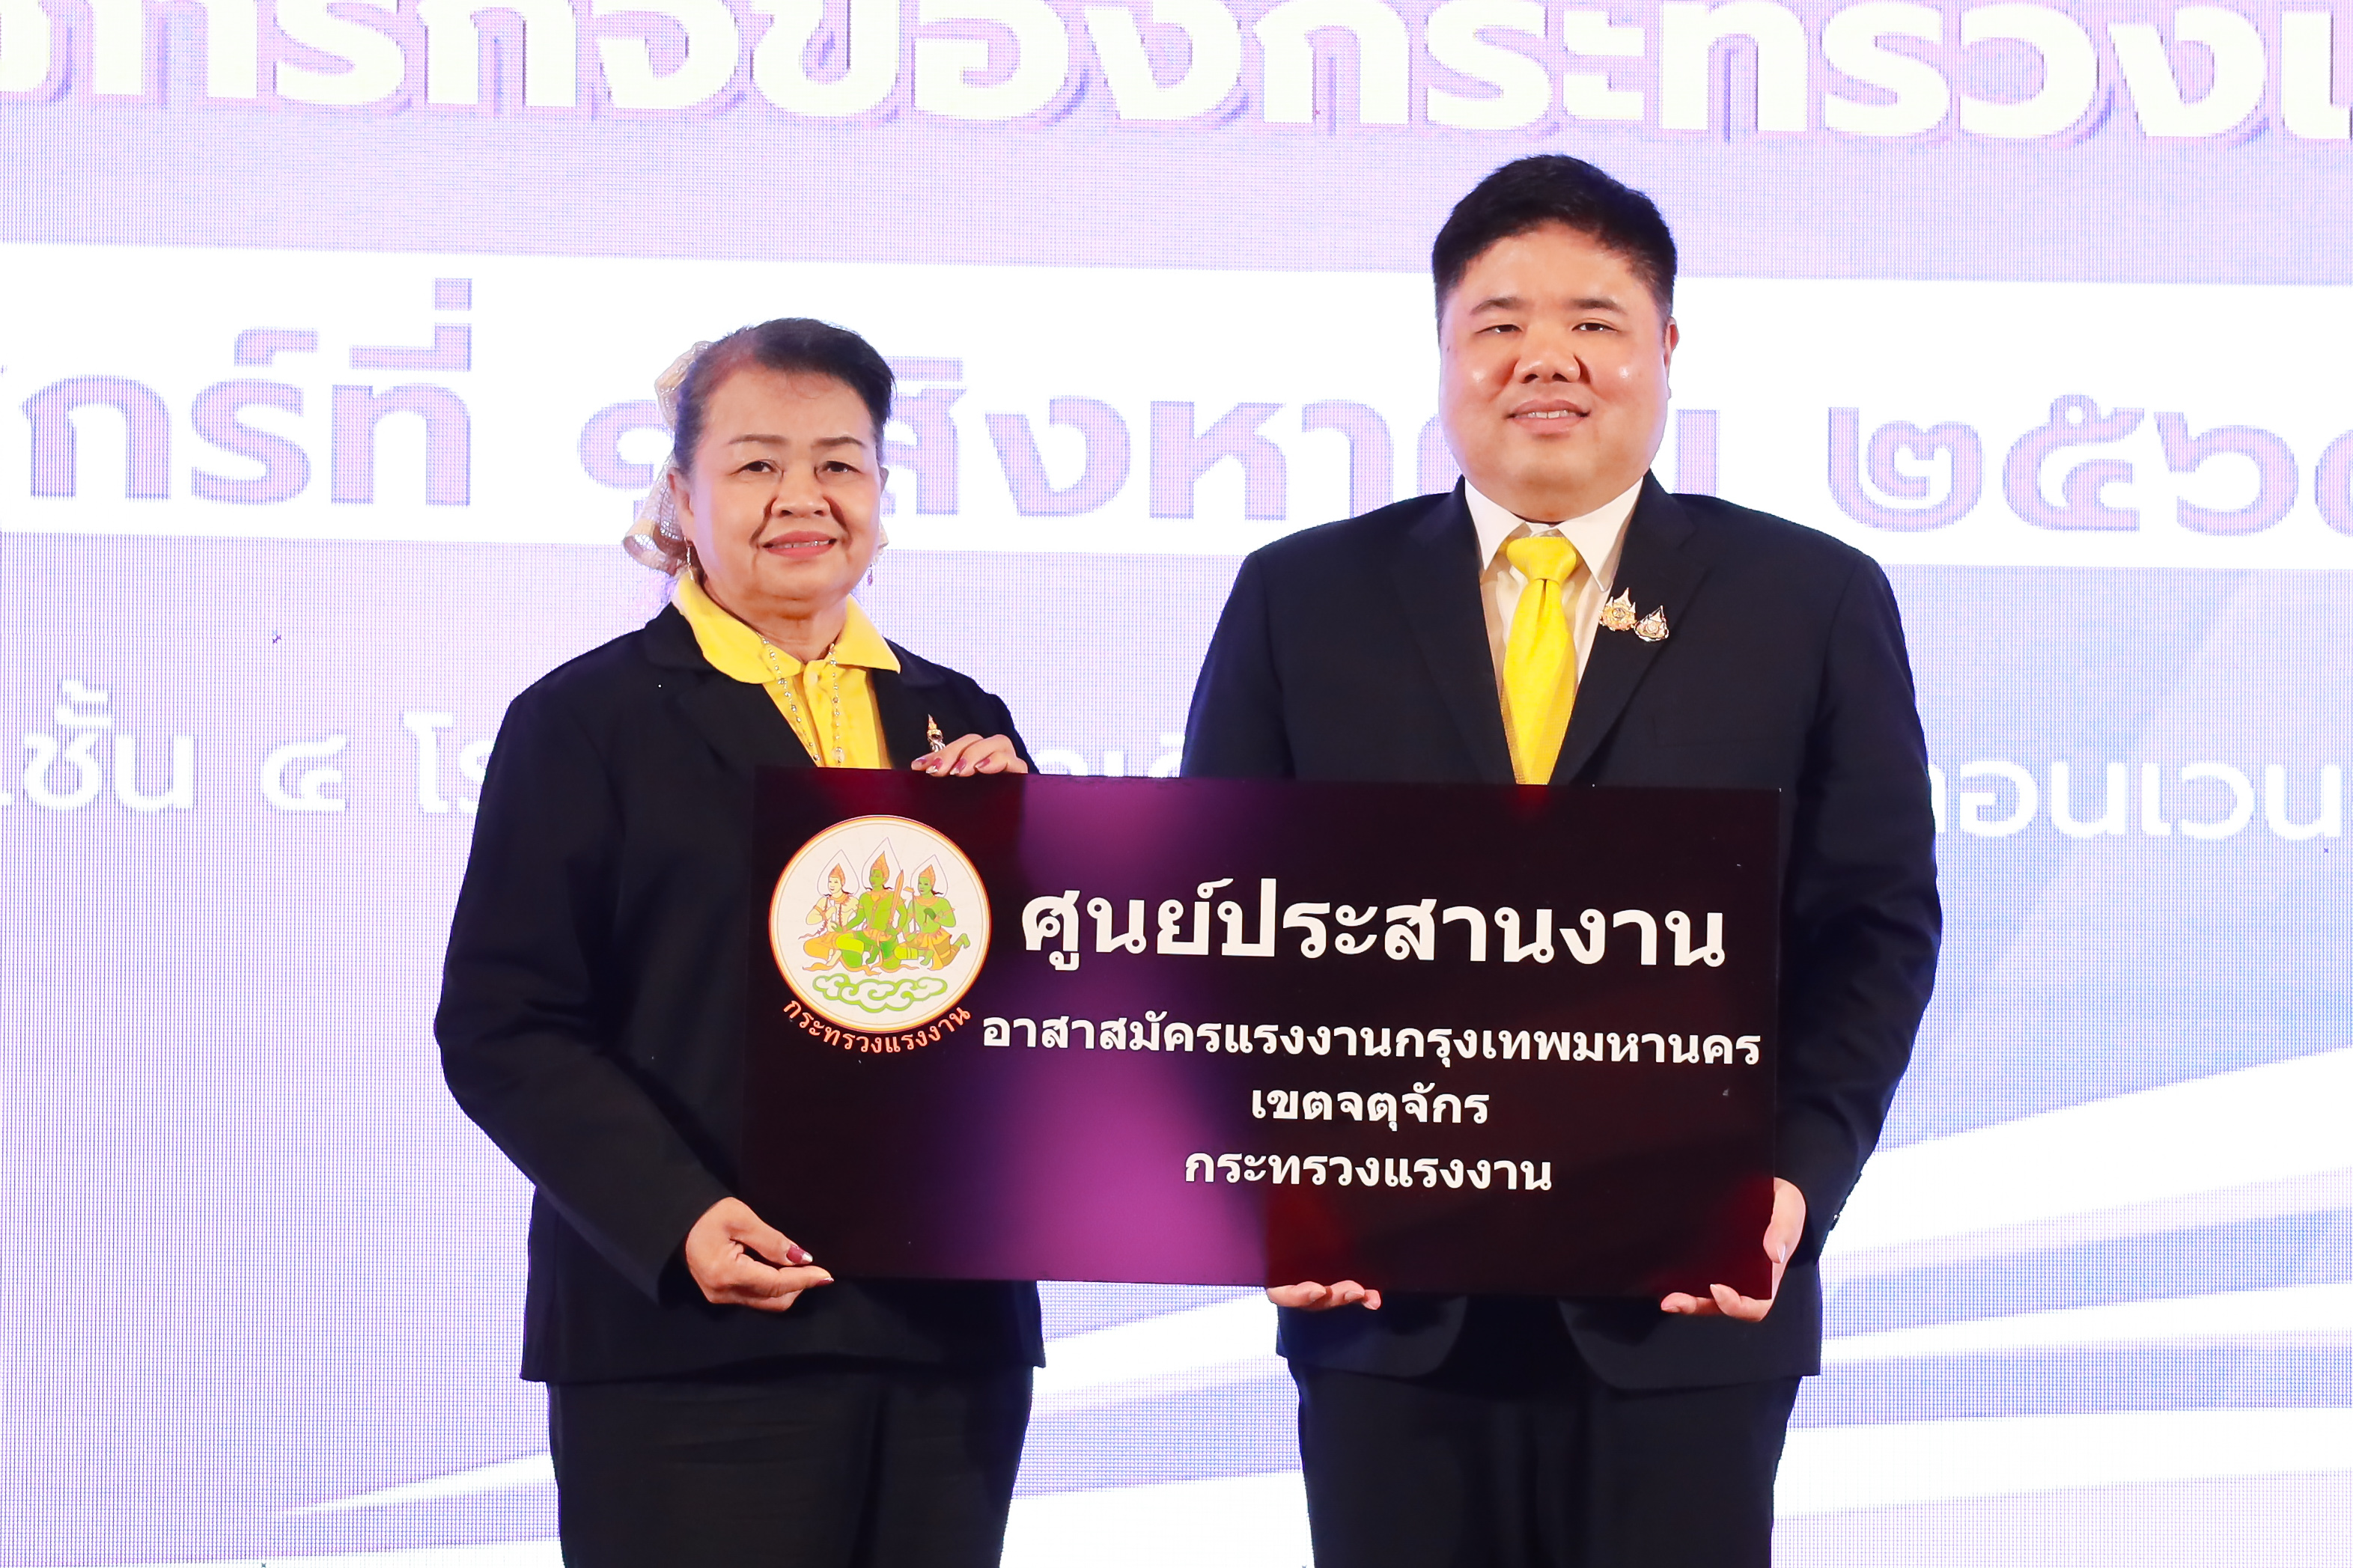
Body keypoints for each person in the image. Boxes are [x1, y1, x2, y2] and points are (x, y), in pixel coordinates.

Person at [1183, 156, 1940, 1566]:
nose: (1549, 359)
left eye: (1596, 321)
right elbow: (1212, 924)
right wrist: (1270, 1178)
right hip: (1387, 1299)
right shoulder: (1302, 598)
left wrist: (1790, 1184)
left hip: (1691, 1298)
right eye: (1502, 323)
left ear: (1668, 347)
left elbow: (1874, 927)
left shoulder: (1808, 598)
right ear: (1443, 352)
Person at [436, 319, 1041, 1567]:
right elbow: (505, 1026)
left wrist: (1039, 857)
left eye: (840, 463)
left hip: (943, 1342)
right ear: (679, 495)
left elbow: (1035, 1023)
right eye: (757, 464)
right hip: (689, 1341)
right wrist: (677, 1218)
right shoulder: (584, 720)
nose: (802, 498)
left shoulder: (960, 718)